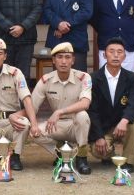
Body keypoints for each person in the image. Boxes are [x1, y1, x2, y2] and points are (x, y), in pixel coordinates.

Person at [27, 42, 92, 175]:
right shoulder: (46, 80)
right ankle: (62, 153)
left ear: (73, 60)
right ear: (53, 60)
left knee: (83, 115)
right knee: (32, 131)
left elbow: (85, 103)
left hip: (76, 125)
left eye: (67, 57)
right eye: (60, 57)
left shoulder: (84, 77)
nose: (63, 61)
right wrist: (32, 123)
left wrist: (59, 111)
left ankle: (81, 158)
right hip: (57, 125)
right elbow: (32, 107)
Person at [0, 38, 39, 171]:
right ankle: (2, 153)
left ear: (5, 56)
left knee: (24, 123)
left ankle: (15, 156)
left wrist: (34, 124)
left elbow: (27, 99)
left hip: (12, 121)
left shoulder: (15, 73)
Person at [87, 37, 134, 172]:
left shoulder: (132, 78)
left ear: (124, 56)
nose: (116, 55)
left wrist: (124, 121)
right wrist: (99, 137)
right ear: (104, 55)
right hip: (104, 127)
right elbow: (92, 111)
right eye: (111, 51)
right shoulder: (93, 78)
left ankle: (128, 162)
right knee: (97, 151)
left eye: (119, 52)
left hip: (123, 125)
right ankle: (110, 156)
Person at [42, 0, 93, 71]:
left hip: (77, 40)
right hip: (57, 40)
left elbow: (86, 12)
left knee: (79, 77)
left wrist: (65, 25)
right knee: (58, 77)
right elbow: (47, 10)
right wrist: (58, 23)